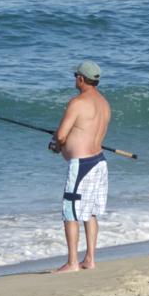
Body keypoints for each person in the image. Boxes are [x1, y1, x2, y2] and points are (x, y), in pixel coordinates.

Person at [49, 60, 111, 272]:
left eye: (76, 76)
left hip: (82, 165)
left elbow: (62, 134)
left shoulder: (77, 102)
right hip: (99, 162)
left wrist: (56, 145)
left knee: (70, 211)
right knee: (90, 212)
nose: (75, 79)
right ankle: (90, 260)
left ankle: (73, 263)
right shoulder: (104, 103)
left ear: (81, 79)